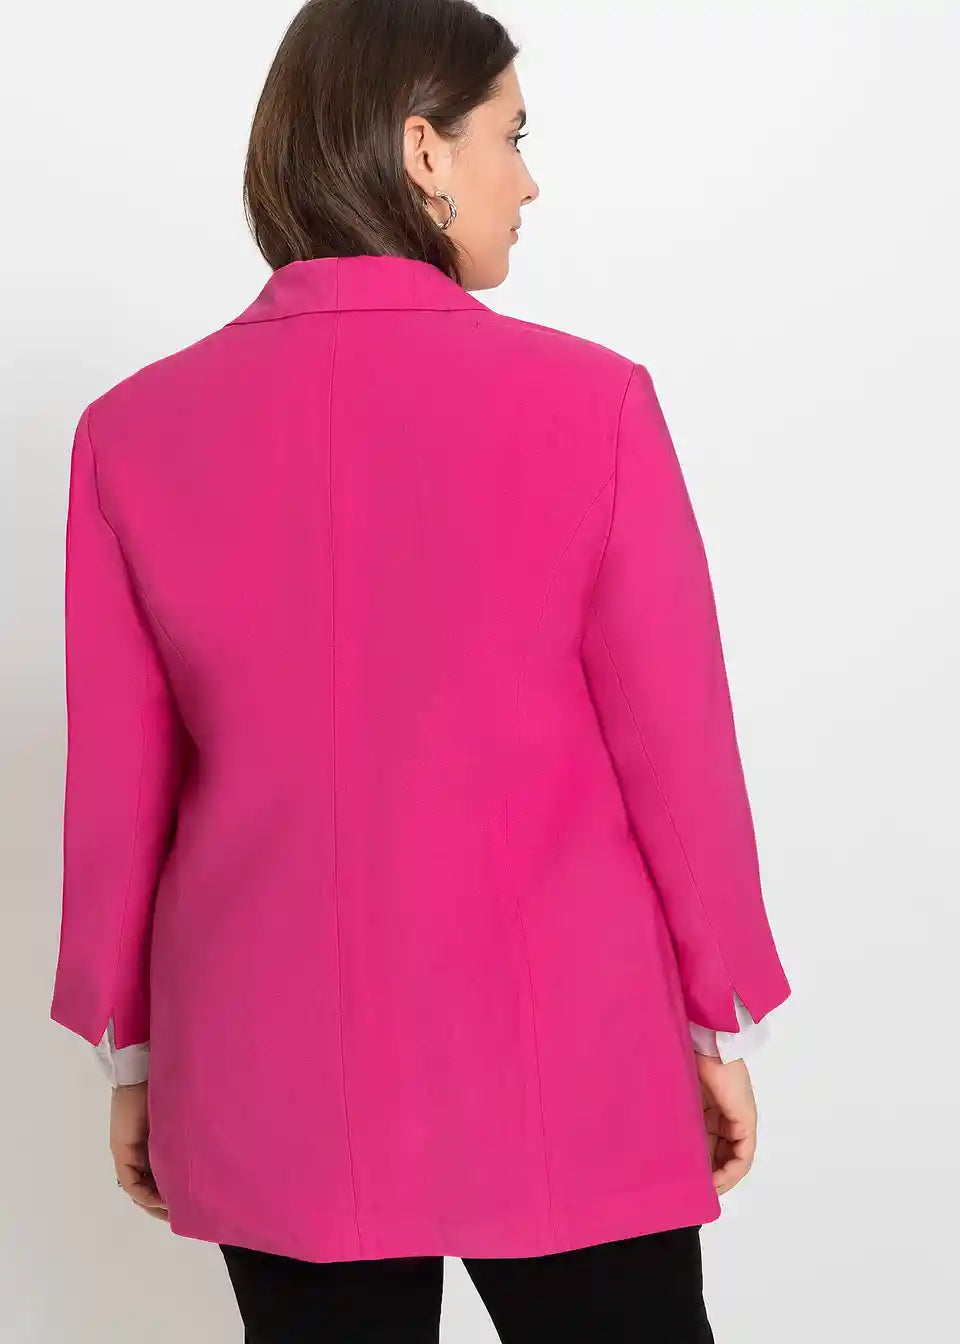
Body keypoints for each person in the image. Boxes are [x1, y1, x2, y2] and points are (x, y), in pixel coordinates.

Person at [49, 1, 791, 1339]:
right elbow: (675, 750)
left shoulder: (130, 433)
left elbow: (120, 786)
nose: (530, 180)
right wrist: (717, 1019)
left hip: (270, 1060)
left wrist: (133, 1049)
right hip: (564, 1051)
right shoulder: (595, 404)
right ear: (424, 151)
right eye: (513, 136)